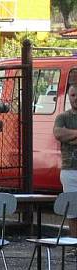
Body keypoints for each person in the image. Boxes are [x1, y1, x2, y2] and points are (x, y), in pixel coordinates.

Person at [53, 83, 77, 240]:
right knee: (73, 210)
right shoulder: (62, 117)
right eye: (73, 95)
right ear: (69, 96)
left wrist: (71, 136)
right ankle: (75, 244)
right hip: (70, 170)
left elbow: (65, 136)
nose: (76, 99)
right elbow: (58, 133)